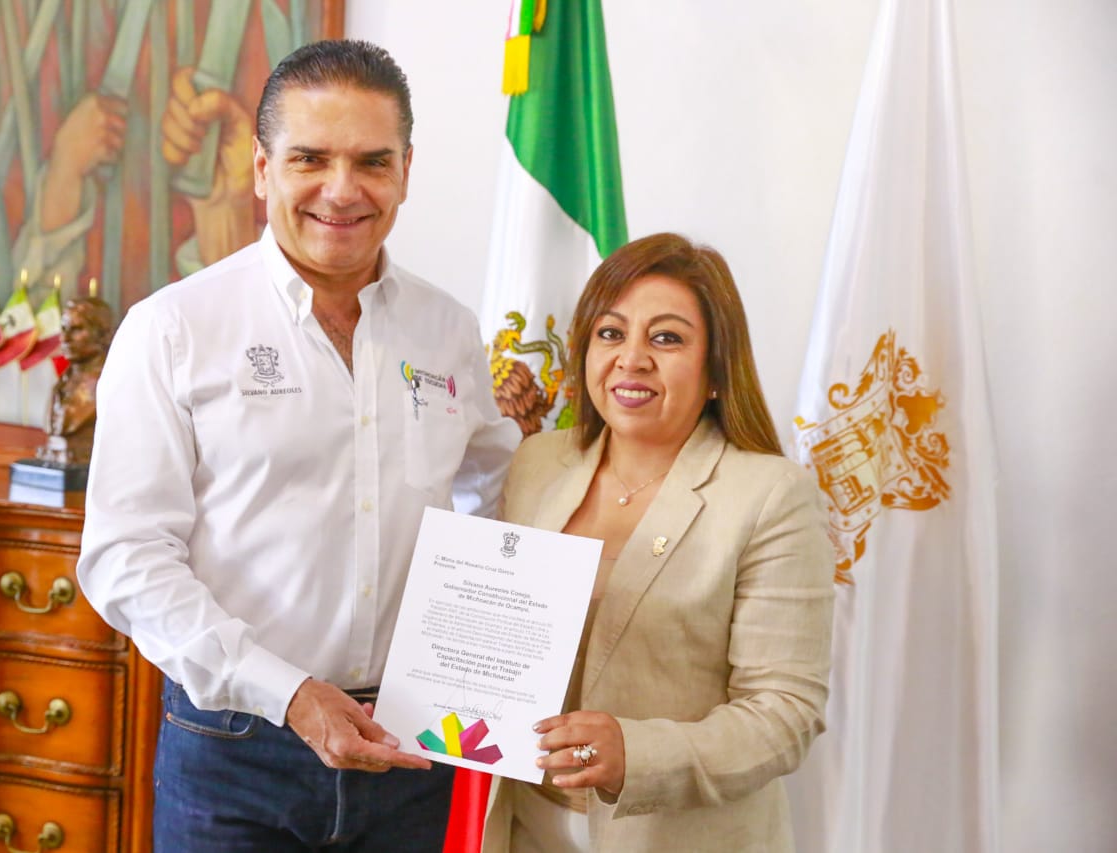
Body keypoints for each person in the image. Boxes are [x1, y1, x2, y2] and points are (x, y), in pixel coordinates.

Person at [76, 40, 521, 852]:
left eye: (372, 161)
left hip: (412, 750)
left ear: (406, 172)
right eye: (310, 158)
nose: (342, 190)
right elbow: (126, 558)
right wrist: (290, 693)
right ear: (261, 169)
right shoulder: (173, 330)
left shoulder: (449, 330)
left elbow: (499, 493)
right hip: (236, 750)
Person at [481, 233, 835, 852]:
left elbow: (785, 713)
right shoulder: (536, 462)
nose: (632, 358)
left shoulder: (771, 494)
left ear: (716, 370)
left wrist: (637, 754)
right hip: (524, 828)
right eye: (611, 333)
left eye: (666, 338)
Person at [36, 297, 114, 467]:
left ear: (103, 334)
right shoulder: (62, 384)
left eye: (77, 329)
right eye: (63, 329)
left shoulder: (109, 386)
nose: (65, 338)